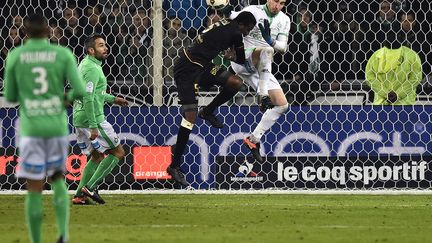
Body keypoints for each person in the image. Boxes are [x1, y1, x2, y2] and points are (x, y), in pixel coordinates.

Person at [3, 14, 85, 243]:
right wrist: (63, 98)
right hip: (56, 127)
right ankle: (63, 234)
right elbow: (79, 91)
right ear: (48, 31)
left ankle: (36, 240)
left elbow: (9, 95)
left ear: (25, 33)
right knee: (58, 178)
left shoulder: (16, 55)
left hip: (31, 129)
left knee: (34, 187)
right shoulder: (62, 54)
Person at [167, 11, 257, 187]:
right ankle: (175, 166)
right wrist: (232, 55)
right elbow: (239, 58)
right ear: (243, 25)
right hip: (187, 69)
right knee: (189, 118)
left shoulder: (225, 23)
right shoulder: (236, 33)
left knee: (235, 83)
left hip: (203, 66)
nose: (247, 33)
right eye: (249, 29)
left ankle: (208, 110)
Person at [218, 0, 291, 162]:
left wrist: (270, 39)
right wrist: (220, 6)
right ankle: (262, 96)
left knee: (282, 105)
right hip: (242, 60)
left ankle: (253, 140)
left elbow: (283, 48)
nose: (277, 6)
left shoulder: (285, 19)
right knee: (267, 51)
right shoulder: (253, 10)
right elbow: (231, 16)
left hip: (262, 68)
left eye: (282, 3)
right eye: (276, 1)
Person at [71, 34, 128, 204]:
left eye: (105, 45)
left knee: (96, 157)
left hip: (79, 117)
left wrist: (112, 99)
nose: (105, 48)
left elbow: (95, 94)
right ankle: (90, 188)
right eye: (101, 45)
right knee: (118, 152)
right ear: (91, 50)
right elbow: (89, 98)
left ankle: (79, 196)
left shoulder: (85, 64)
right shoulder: (92, 69)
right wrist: (95, 126)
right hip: (92, 118)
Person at [365, 21, 422, 105]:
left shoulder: (376, 55)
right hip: (404, 104)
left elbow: (369, 77)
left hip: (384, 103)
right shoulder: (412, 55)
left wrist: (387, 94)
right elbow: (415, 78)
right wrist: (397, 94)